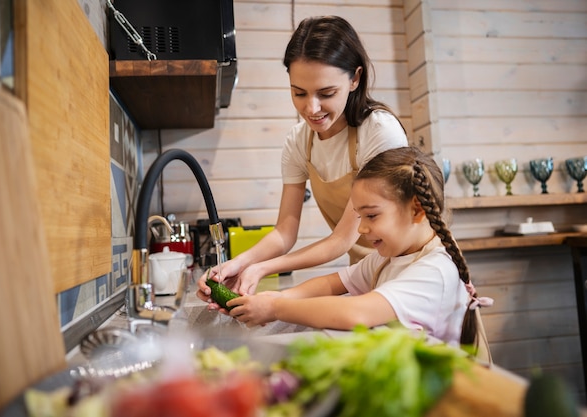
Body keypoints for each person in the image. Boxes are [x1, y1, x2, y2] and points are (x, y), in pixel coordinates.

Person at [198, 15, 408, 299]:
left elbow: (342, 240)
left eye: (326, 93)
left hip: (412, 272)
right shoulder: (300, 142)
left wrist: (261, 269)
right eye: (299, 93)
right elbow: (285, 232)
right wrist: (239, 263)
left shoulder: (379, 132)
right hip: (366, 275)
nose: (312, 108)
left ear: (355, 79)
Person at [218, 147, 484, 347]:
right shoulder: (389, 258)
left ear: (416, 209)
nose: (361, 229)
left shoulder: (434, 271)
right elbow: (334, 283)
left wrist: (275, 308)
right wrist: (274, 299)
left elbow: (355, 313)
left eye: (371, 216)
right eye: (360, 216)